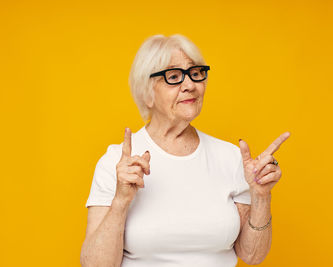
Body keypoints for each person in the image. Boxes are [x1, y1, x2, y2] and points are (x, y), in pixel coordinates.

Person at [80, 34, 290, 267]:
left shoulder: (231, 158)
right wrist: (120, 201)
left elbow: (253, 255)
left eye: (196, 73)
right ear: (147, 92)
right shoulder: (116, 163)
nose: (190, 85)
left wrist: (261, 196)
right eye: (173, 76)